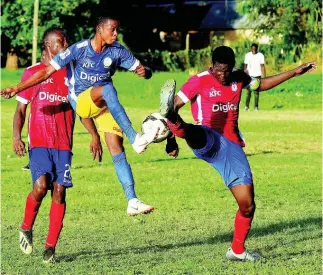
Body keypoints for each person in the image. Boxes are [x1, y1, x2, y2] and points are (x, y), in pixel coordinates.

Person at [158, 46, 316, 261]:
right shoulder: (199, 80)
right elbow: (173, 105)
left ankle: (237, 251)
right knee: (194, 131)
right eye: (218, 70)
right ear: (211, 66)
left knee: (247, 204)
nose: (222, 76)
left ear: (233, 67)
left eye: (226, 71)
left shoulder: (239, 77)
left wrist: (294, 72)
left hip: (231, 146)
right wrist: (170, 138)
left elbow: (261, 85)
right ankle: (178, 127)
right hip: (208, 137)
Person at [1, 13, 156, 216]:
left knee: (117, 149)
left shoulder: (118, 51)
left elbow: (143, 69)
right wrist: (16, 88)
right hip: (82, 102)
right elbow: (45, 72)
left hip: (104, 104)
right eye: (113, 29)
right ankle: (135, 138)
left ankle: (132, 200)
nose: (116, 34)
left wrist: (146, 72)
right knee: (108, 90)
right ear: (100, 30)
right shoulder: (79, 50)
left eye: (117, 29)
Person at [13, 27, 76, 263]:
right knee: (41, 187)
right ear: (49, 46)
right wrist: (17, 136)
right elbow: (21, 110)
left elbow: (83, 107)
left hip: (64, 144)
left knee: (59, 192)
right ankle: (26, 226)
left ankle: (50, 248)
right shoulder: (32, 73)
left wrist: (93, 135)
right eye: (61, 41)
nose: (66, 43)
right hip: (39, 142)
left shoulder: (73, 73)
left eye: (66, 39)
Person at [244, 43, 266, 111]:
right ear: (251, 48)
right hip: (249, 76)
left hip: (257, 75)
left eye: (255, 49)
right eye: (253, 49)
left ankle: (256, 107)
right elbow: (245, 66)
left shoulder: (260, 55)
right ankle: (246, 107)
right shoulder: (247, 55)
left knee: (256, 92)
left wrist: (264, 76)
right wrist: (245, 74)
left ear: (257, 48)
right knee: (248, 92)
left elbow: (262, 66)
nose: (254, 50)